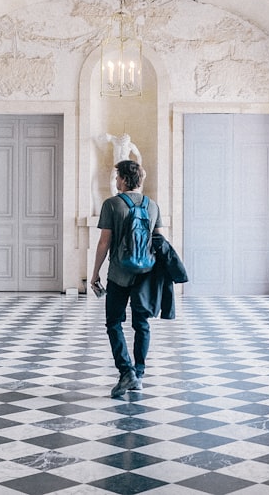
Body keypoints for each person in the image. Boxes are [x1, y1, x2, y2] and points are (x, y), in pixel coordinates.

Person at [90, 159, 164, 397]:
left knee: (114, 323)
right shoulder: (152, 205)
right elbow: (159, 241)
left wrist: (94, 275)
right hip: (146, 274)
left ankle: (126, 372)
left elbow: (104, 242)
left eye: (117, 177)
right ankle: (139, 374)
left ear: (122, 178)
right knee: (142, 324)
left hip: (119, 273)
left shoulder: (112, 204)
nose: (116, 181)